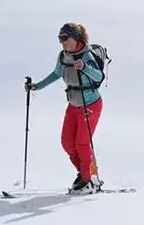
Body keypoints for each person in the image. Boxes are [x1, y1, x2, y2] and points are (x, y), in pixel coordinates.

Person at [25, 22, 105, 195]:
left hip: (90, 104)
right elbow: (56, 74)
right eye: (60, 39)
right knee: (67, 143)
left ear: (75, 38)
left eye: (65, 38)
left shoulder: (86, 55)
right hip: (74, 104)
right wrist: (36, 87)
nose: (62, 42)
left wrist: (85, 67)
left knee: (82, 143)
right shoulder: (63, 56)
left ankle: (88, 181)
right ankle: (88, 174)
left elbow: (99, 76)